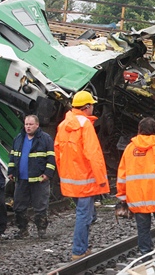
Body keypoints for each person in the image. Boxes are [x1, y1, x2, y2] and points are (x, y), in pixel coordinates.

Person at [54, 91, 109, 261]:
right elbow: (94, 154)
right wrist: (101, 181)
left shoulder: (63, 125)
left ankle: (82, 246)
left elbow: (57, 152)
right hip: (85, 180)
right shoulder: (85, 125)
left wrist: (63, 174)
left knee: (87, 214)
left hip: (70, 179)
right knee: (84, 216)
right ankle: (79, 251)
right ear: (87, 107)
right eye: (92, 105)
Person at [116, 117, 155, 257]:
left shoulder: (129, 149)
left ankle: (146, 257)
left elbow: (122, 175)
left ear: (139, 130)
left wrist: (122, 196)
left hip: (138, 199)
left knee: (143, 230)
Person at [7, 114, 55, 239]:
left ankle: (41, 231)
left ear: (37, 125)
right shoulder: (18, 138)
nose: (28, 127)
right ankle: (23, 230)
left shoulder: (45, 139)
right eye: (26, 124)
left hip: (39, 179)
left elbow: (51, 158)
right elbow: (12, 156)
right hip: (21, 179)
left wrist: (47, 174)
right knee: (18, 207)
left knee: (40, 207)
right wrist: (11, 171)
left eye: (30, 124)